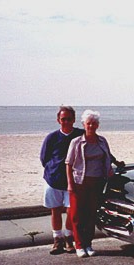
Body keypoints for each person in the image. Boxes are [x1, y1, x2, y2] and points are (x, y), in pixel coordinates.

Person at [66, 109, 124, 258]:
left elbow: (108, 156)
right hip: (80, 182)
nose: (91, 126)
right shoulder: (76, 142)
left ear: (97, 125)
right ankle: (79, 245)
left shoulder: (102, 141)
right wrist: (70, 184)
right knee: (77, 215)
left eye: (94, 123)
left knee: (91, 215)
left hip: (97, 182)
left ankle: (88, 244)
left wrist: (117, 163)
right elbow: (68, 164)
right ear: (84, 125)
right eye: (88, 123)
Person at [40, 106, 84, 255]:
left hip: (73, 181)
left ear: (74, 119)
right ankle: (57, 239)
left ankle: (68, 237)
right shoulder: (51, 137)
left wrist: (114, 162)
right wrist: (53, 170)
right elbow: (44, 158)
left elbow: (97, 146)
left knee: (72, 211)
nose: (66, 122)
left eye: (69, 119)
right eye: (63, 119)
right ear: (58, 120)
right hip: (53, 179)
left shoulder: (80, 135)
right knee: (56, 210)